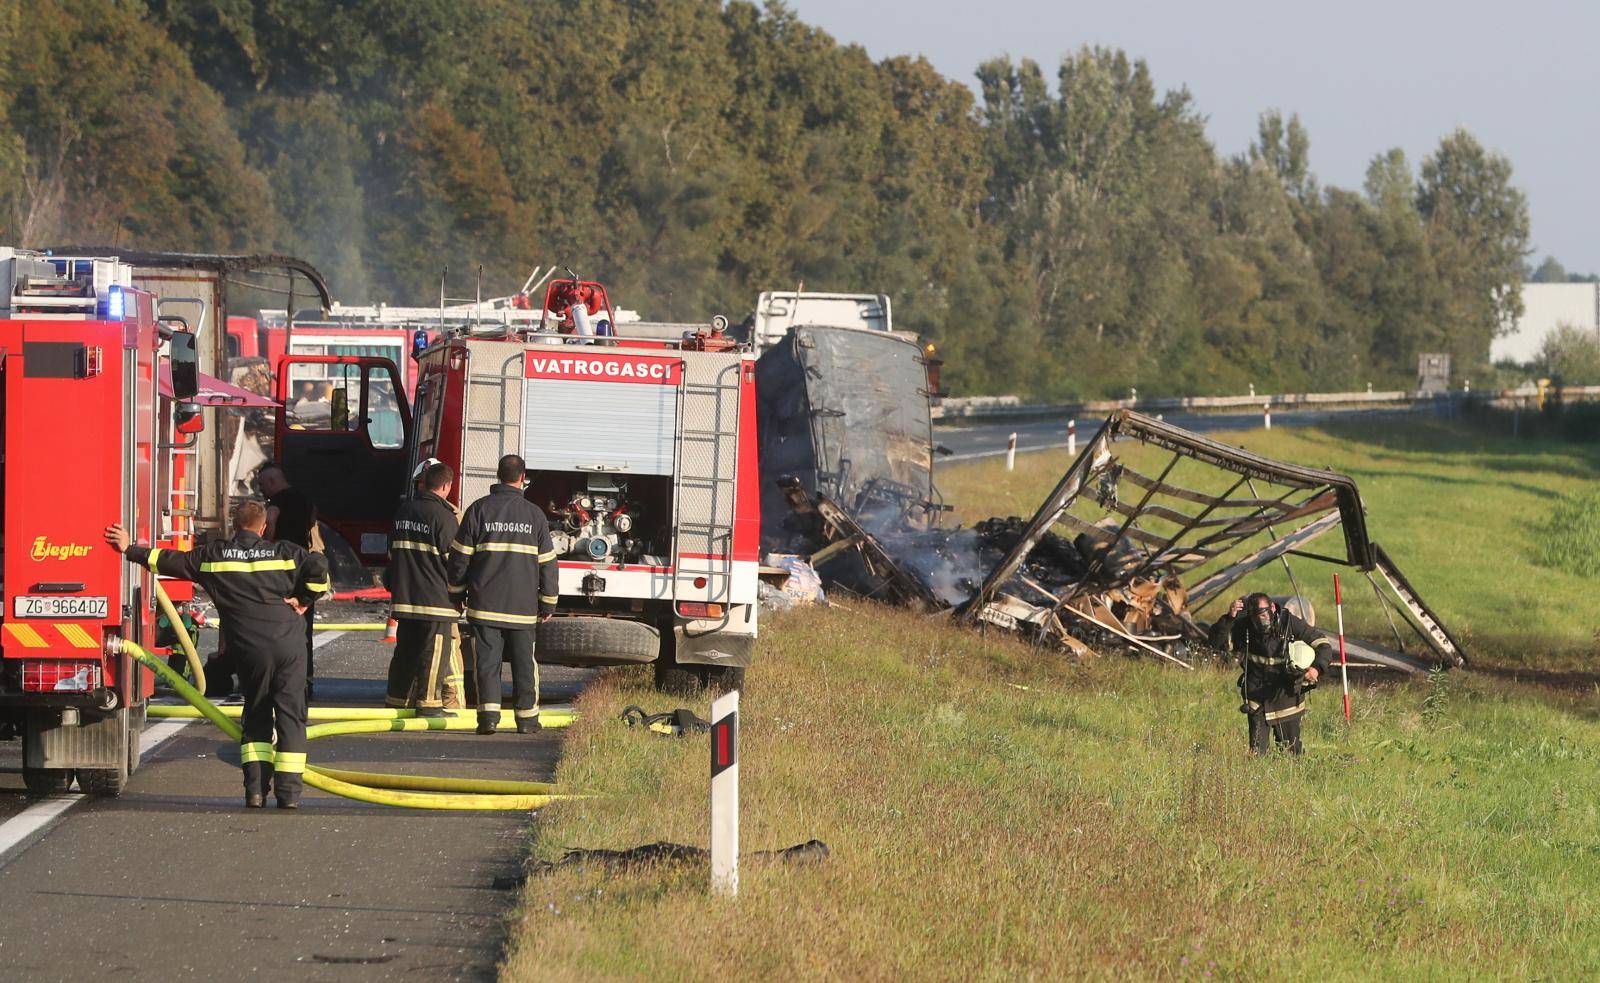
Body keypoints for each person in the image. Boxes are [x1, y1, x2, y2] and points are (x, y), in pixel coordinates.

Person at [105, 503, 330, 808]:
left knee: (257, 714)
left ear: (233, 526)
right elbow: (318, 566)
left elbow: (168, 561)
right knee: (291, 716)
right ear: (263, 528)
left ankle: (255, 791)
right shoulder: (285, 553)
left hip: (251, 650)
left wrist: (128, 548)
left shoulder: (214, 556)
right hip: (290, 645)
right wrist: (304, 599)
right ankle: (289, 794)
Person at [446, 454, 559, 736]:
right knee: (524, 663)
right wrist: (548, 602)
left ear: (498, 475)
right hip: (522, 607)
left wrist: (456, 593)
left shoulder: (478, 510)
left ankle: (488, 719)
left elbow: (459, 559)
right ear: (522, 478)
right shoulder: (534, 515)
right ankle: (527, 720)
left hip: (485, 605)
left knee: (487, 663)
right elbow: (548, 564)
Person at [385, 460, 466, 716]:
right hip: (435, 600)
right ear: (446, 486)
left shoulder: (403, 512)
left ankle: (397, 700)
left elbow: (392, 554)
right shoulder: (444, 516)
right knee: (435, 653)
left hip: (405, 597)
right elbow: (453, 562)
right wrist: (460, 593)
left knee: (405, 651)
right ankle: (429, 705)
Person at [1210, 592, 1333, 754]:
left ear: (1273, 608)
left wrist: (1316, 669)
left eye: (1263, 615)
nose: (1261, 621)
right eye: (1255, 618)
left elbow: (1323, 644)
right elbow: (1216, 642)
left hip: (1287, 696)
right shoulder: (1245, 627)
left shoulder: (1289, 623)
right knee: (1257, 754)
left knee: (1291, 752)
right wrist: (1229, 618)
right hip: (1257, 697)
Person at [258, 464, 322, 700]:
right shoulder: (305, 499)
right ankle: (306, 683)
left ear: (273, 482)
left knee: (278, 628)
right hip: (303, 564)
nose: (261, 489)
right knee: (304, 629)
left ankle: (279, 683)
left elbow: (270, 521)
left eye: (263, 484)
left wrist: (266, 540)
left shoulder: (277, 501)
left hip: (282, 568)